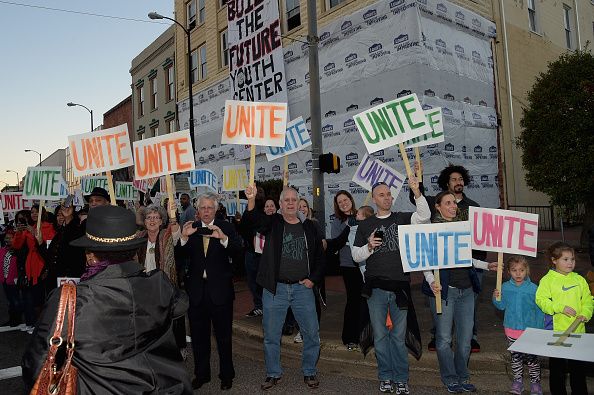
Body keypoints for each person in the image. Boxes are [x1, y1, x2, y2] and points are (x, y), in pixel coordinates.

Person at [21, 205, 191, 394]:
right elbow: (181, 304)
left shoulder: (69, 300)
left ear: (91, 257)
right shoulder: (159, 283)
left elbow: (35, 363)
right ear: (133, 252)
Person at [243, 184, 325, 391]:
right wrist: (251, 199)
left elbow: (320, 258)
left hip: (303, 289)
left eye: (293, 200)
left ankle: (309, 371)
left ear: (299, 203)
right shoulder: (273, 223)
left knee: (311, 333)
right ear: (280, 205)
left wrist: (312, 279)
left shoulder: (310, 227)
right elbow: (251, 221)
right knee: (271, 335)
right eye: (286, 200)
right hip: (275, 289)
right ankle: (273, 373)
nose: (290, 203)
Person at [351, 178, 429, 395]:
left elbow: (424, 216)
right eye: (382, 195)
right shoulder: (365, 225)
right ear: (374, 199)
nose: (387, 198)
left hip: (400, 288)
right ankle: (385, 376)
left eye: (389, 194)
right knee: (380, 336)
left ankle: (401, 378)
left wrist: (417, 193)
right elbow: (356, 256)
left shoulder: (402, 217)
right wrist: (368, 247)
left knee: (398, 336)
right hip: (375, 288)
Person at [422, 191, 496, 393]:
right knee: (444, 339)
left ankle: (463, 375)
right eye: (448, 203)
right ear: (437, 206)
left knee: (464, 341)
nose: (453, 206)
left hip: (467, 292)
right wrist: (431, 281)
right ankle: (450, 377)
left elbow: (465, 258)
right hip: (444, 292)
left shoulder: (462, 227)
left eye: (454, 202)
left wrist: (487, 265)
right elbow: (424, 261)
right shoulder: (430, 229)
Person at [410, 163, 487, 352]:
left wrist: (482, 262)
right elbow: (418, 200)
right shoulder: (435, 203)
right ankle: (438, 335)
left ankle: (471, 336)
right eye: (453, 179)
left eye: (460, 179)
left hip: (470, 264)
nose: (458, 182)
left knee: (470, 304)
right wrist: (417, 178)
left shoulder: (474, 207)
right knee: (441, 301)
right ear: (446, 183)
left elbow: (482, 234)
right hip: (442, 266)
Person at [180, 192, 243, 391]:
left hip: (221, 292)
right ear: (197, 210)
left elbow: (238, 252)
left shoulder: (226, 226)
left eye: (210, 208)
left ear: (216, 209)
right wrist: (182, 237)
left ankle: (226, 375)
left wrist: (223, 239)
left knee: (224, 337)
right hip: (197, 292)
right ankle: (202, 374)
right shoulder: (191, 228)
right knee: (199, 337)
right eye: (203, 208)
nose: (206, 211)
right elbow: (179, 258)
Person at [535, 242, 593, 395]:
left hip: (578, 332)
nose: (570, 263)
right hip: (557, 334)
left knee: (578, 370)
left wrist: (586, 313)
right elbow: (541, 300)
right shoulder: (547, 280)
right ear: (554, 260)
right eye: (565, 259)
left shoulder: (579, 280)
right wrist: (559, 307)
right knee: (557, 371)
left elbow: (588, 300)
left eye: (572, 259)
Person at [492, 256, 544, 395]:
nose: (518, 273)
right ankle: (518, 382)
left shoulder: (534, 288)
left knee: (532, 358)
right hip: (512, 328)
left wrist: (539, 329)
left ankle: (535, 383)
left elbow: (540, 310)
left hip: (530, 330)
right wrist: (496, 297)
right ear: (509, 271)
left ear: (526, 270)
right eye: (514, 270)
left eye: (521, 270)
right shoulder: (505, 287)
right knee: (516, 357)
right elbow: (501, 306)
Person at [12, 206, 55, 333]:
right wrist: (19, 232)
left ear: (43, 213)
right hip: (30, 264)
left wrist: (34, 232)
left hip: (42, 262)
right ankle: (37, 324)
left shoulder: (48, 226)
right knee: (34, 296)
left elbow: (48, 244)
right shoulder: (28, 228)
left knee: (42, 295)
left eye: (37, 211)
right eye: (32, 212)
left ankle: (44, 325)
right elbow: (16, 245)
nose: (34, 214)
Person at [331, 190, 365, 351]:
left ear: (351, 200)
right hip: (348, 265)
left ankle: (365, 336)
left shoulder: (362, 215)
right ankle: (350, 337)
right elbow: (336, 244)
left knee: (366, 300)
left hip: (366, 265)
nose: (344, 203)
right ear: (337, 206)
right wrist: (348, 227)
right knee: (353, 300)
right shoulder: (337, 222)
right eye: (340, 202)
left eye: (345, 200)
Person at [39, 196, 85, 292]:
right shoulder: (59, 234)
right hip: (55, 281)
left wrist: (68, 219)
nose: (61, 217)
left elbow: (70, 246)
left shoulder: (76, 230)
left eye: (63, 214)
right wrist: (40, 244)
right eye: (58, 215)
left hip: (69, 280)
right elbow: (49, 257)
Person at [1, 229, 23, 327]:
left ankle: (17, 319)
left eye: (10, 238)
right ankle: (12, 319)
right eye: (6, 238)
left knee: (15, 300)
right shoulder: (2, 250)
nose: (8, 240)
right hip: (4, 279)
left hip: (14, 280)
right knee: (9, 300)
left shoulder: (18, 250)